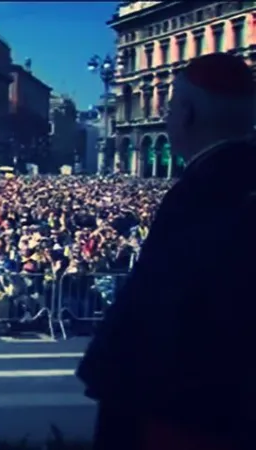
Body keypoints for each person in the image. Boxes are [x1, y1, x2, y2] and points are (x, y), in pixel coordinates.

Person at [77, 53, 256, 450]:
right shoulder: (239, 178)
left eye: (171, 107)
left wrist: (110, 367)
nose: (169, 117)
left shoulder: (204, 191)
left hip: (186, 412)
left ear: (188, 114)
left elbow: (157, 310)